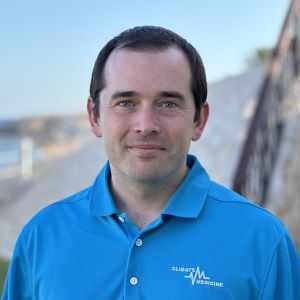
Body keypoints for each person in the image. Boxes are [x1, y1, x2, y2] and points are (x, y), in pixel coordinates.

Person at [2, 26, 299, 300]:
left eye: (168, 103)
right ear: (95, 117)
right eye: (126, 102)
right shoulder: (42, 235)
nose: (145, 125)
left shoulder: (263, 240)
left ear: (199, 120)